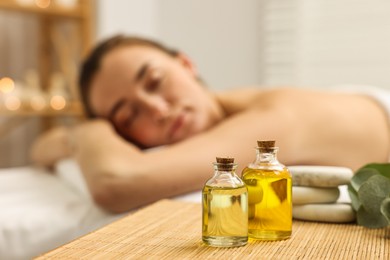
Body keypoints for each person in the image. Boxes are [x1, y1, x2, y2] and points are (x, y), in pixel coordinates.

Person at [30, 35, 390, 213]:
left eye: (155, 81)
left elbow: (117, 181)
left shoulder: (277, 119)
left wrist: (86, 133)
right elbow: (39, 149)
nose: (157, 109)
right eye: (128, 117)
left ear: (186, 64)